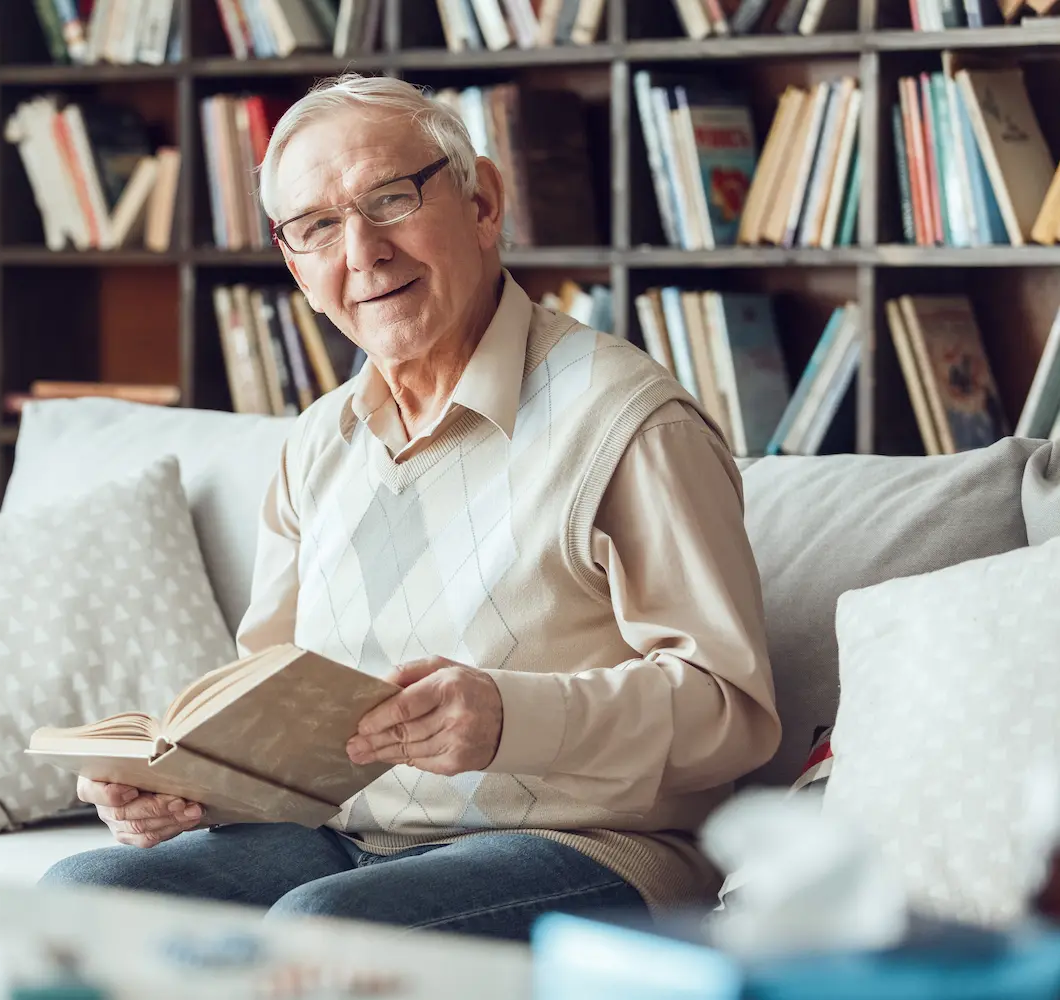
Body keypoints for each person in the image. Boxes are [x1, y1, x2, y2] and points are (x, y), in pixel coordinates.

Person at [40, 73, 780, 941]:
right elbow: (272, 702)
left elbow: (732, 711)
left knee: (332, 926)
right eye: (318, 226)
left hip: (591, 842)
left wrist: (511, 718)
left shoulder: (628, 423)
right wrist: (187, 788)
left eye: (389, 200)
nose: (362, 252)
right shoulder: (318, 443)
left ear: (484, 202)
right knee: (85, 889)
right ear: (296, 265)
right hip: (347, 837)